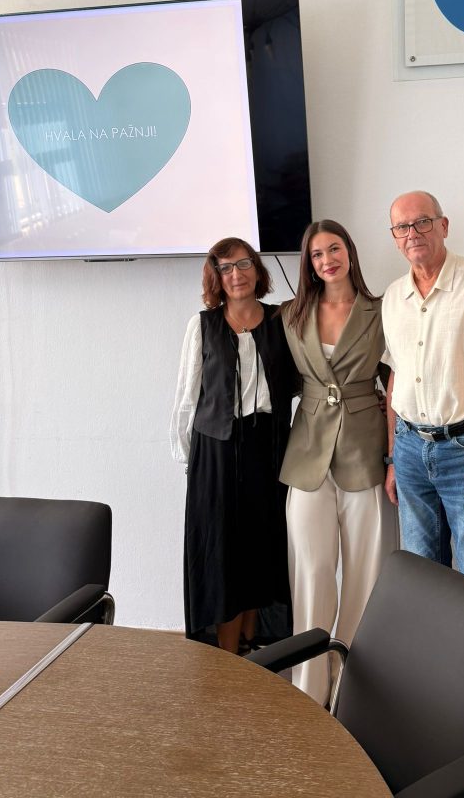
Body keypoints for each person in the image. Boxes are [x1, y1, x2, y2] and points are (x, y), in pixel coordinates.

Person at [280, 219, 397, 706]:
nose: (327, 260)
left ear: (349, 251)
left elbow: (398, 383)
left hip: (365, 452)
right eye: (316, 254)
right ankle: (308, 692)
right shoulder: (291, 314)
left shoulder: (383, 310)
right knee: (311, 571)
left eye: (334, 249)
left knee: (365, 576)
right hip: (308, 453)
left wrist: (394, 457)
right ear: (309, 264)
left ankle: (350, 692)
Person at [381, 190, 464, 590]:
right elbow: (395, 376)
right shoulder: (393, 296)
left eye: (422, 222)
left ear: (443, 225)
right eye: (402, 227)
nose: (413, 233)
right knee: (421, 579)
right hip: (409, 451)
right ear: (394, 237)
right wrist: (393, 458)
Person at [170, 238, 296, 654]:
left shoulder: (282, 320)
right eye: (225, 268)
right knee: (222, 554)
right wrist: (190, 457)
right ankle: (226, 658)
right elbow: (187, 396)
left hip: (268, 447)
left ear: (257, 270)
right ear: (216, 278)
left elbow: (302, 380)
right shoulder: (203, 325)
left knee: (261, 546)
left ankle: (252, 644)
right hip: (216, 451)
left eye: (243, 264)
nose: (236, 274)